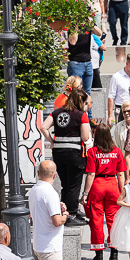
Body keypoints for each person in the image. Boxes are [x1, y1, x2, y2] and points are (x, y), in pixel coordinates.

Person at [39, 89, 91, 226]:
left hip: (58, 153)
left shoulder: (56, 112)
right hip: (75, 154)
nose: (85, 105)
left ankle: (65, 211)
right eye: (85, 102)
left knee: (65, 185)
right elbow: (85, 137)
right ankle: (72, 215)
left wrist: (52, 141)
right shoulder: (81, 115)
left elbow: (43, 127)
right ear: (80, 101)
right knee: (74, 186)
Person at [81, 123, 127, 260]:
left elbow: (90, 174)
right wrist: (123, 191)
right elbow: (121, 174)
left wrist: (85, 193)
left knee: (97, 220)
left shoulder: (93, 152)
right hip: (113, 185)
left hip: (97, 185)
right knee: (113, 220)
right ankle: (114, 253)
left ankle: (99, 254)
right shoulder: (117, 151)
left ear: (96, 135)